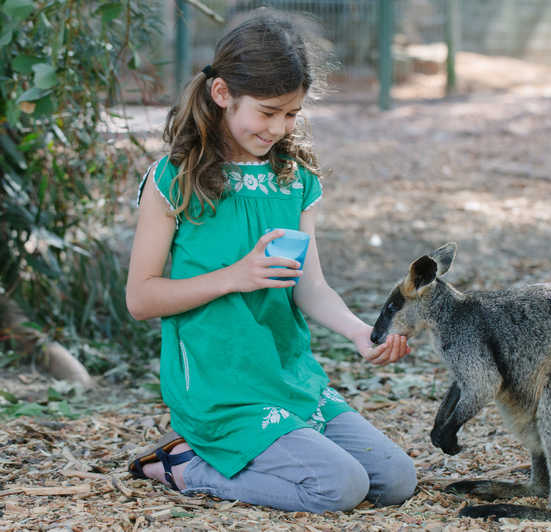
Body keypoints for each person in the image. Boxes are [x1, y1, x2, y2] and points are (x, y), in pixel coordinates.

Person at [125, 8, 416, 513]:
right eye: (267, 111)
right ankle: (185, 465)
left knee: (394, 480)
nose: (279, 127)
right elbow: (141, 298)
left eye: (291, 114)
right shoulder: (173, 179)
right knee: (339, 488)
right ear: (222, 95)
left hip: (287, 377)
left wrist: (356, 333)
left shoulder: (295, 178)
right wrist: (235, 277)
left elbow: (310, 286)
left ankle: (259, 449)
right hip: (221, 390)